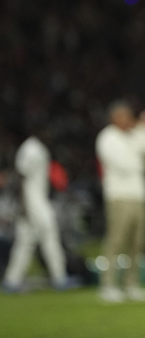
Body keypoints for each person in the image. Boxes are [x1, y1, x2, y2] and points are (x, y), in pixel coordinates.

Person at [95, 101, 145, 303]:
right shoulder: (107, 137)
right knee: (116, 240)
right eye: (123, 116)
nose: (127, 121)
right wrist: (141, 162)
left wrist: (144, 130)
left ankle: (131, 284)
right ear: (114, 118)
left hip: (139, 195)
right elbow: (123, 164)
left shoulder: (136, 135)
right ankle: (108, 285)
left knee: (138, 242)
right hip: (118, 196)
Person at [2, 125, 68, 292]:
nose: (49, 135)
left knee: (25, 241)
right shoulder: (31, 149)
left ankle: (12, 280)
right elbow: (20, 177)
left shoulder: (37, 147)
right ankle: (60, 278)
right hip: (33, 201)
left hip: (35, 200)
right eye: (46, 131)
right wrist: (23, 206)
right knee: (50, 234)